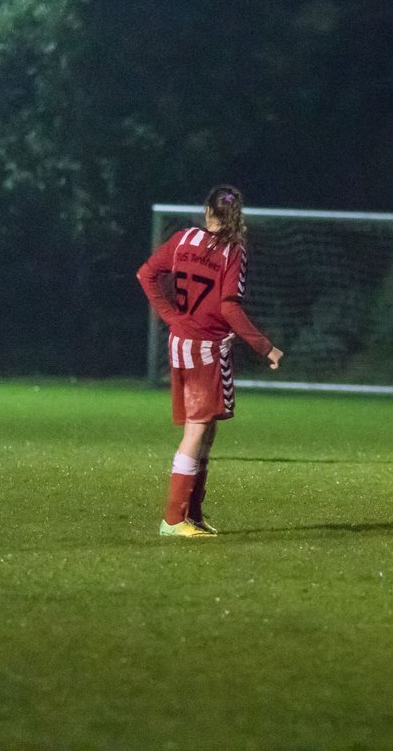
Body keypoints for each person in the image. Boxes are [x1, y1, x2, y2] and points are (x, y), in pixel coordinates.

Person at [137, 185, 284, 538]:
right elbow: (228, 307)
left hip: (180, 342)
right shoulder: (233, 251)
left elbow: (145, 274)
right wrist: (265, 347)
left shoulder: (183, 238)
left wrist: (171, 316)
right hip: (204, 347)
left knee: (207, 431)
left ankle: (193, 514)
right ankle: (173, 520)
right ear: (237, 216)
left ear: (207, 211)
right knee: (197, 430)